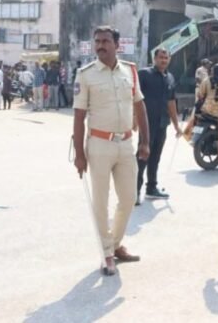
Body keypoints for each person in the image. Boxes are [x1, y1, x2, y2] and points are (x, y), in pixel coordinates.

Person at [73, 25, 151, 276]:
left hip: (125, 143)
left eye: (106, 41)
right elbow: (78, 117)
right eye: (97, 41)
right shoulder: (85, 75)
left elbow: (140, 107)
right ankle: (106, 252)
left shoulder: (130, 71)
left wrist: (145, 141)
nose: (100, 46)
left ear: (117, 45)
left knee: (129, 198)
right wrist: (79, 154)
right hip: (99, 144)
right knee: (101, 201)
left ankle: (116, 244)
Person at [136, 48, 181, 203]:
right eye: (161, 57)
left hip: (162, 123)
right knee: (142, 155)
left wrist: (176, 125)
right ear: (154, 58)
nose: (163, 60)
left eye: (166, 58)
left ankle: (151, 188)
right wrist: (134, 120)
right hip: (147, 124)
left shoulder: (170, 78)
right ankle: (135, 191)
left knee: (155, 157)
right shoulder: (144, 74)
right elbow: (135, 98)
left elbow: (171, 102)